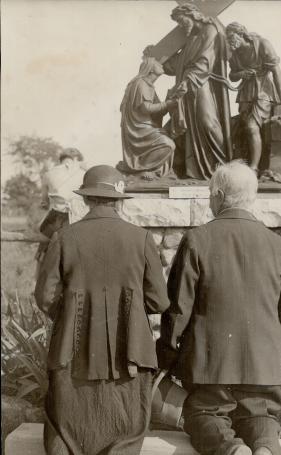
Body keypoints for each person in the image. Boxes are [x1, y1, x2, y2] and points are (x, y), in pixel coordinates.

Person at [157, 160, 281, 455]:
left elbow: (177, 312)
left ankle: (232, 450)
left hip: (212, 368)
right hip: (265, 367)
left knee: (204, 415)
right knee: (262, 416)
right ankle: (265, 447)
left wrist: (167, 359)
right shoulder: (279, 245)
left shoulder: (197, 240)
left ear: (219, 197)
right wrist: (276, 359)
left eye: (211, 193)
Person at [35, 165, 170, 455]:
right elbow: (159, 301)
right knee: (126, 427)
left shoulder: (64, 238)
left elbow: (45, 297)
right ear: (119, 200)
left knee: (67, 430)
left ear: (86, 199)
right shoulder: (142, 238)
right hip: (130, 357)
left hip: (72, 356)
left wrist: (71, 314)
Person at [161, 3, 232, 180]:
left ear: (192, 14)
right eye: (178, 22)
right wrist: (157, 59)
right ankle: (195, 171)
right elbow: (178, 64)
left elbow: (205, 61)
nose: (181, 24)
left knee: (209, 122)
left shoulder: (210, 30)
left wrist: (187, 80)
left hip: (201, 83)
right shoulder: (192, 38)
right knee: (192, 129)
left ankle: (221, 166)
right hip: (188, 87)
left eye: (181, 20)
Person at [226, 22, 281, 173]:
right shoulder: (233, 53)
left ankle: (254, 168)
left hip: (264, 91)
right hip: (245, 93)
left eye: (231, 36)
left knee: (252, 127)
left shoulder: (262, 44)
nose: (230, 41)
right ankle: (253, 164)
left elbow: (276, 70)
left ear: (241, 33)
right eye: (227, 38)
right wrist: (241, 74)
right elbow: (232, 75)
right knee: (246, 129)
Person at [119, 57, 177, 181]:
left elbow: (158, 112)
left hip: (145, 126)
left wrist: (170, 99)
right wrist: (168, 103)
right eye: (157, 63)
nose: (160, 64)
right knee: (168, 144)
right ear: (150, 69)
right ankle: (143, 169)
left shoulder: (148, 85)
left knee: (172, 137)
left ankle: (154, 170)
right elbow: (146, 108)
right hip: (138, 130)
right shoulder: (141, 83)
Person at [36, 148, 87, 268]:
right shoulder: (84, 174)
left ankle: (39, 279)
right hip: (78, 220)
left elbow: (44, 202)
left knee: (43, 254)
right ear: (75, 159)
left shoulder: (48, 174)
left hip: (55, 220)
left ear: (62, 160)